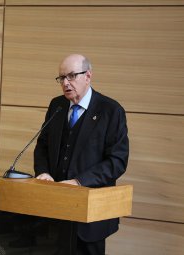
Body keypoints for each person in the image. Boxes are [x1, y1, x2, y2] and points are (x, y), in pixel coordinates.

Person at [34, 54, 129, 255]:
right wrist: (43, 172)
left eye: (71, 76)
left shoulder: (111, 110)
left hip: (90, 214)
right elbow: (42, 145)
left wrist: (79, 182)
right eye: (61, 78)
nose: (65, 83)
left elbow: (117, 161)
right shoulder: (57, 105)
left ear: (88, 76)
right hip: (56, 209)